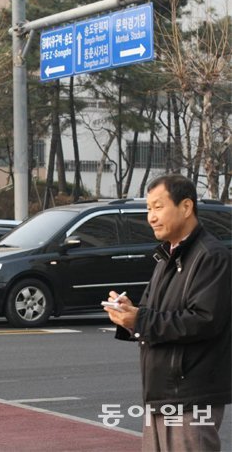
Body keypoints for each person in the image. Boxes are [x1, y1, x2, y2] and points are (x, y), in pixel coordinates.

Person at [103, 174, 231, 452]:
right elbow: (150, 313)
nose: (151, 217)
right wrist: (128, 315)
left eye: (158, 207)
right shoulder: (167, 257)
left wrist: (139, 319)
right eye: (149, 208)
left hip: (191, 394)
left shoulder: (211, 256)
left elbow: (204, 321)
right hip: (162, 392)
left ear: (186, 207)